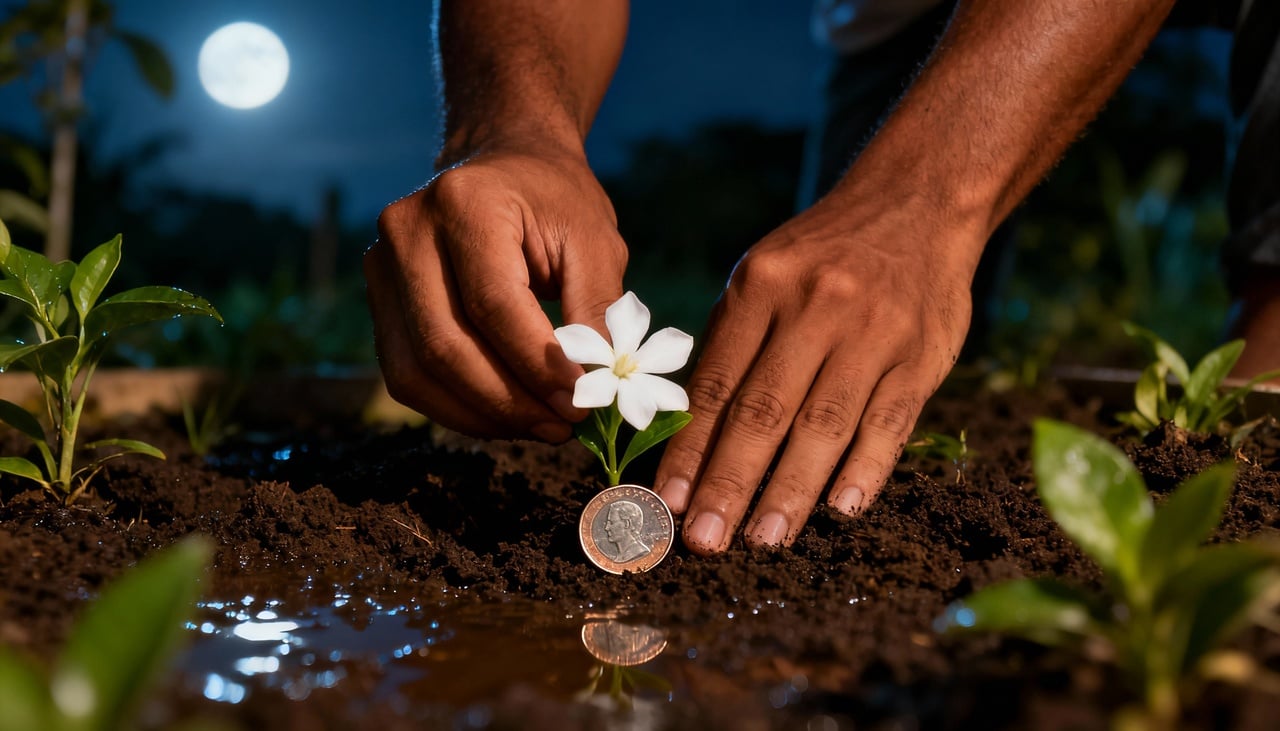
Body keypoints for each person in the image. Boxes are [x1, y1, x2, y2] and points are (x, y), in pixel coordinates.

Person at [365, 1, 1280, 557]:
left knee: (901, 255)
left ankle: (1251, 469)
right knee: (848, 343)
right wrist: (512, 128)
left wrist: (926, 200)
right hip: (902, 14)